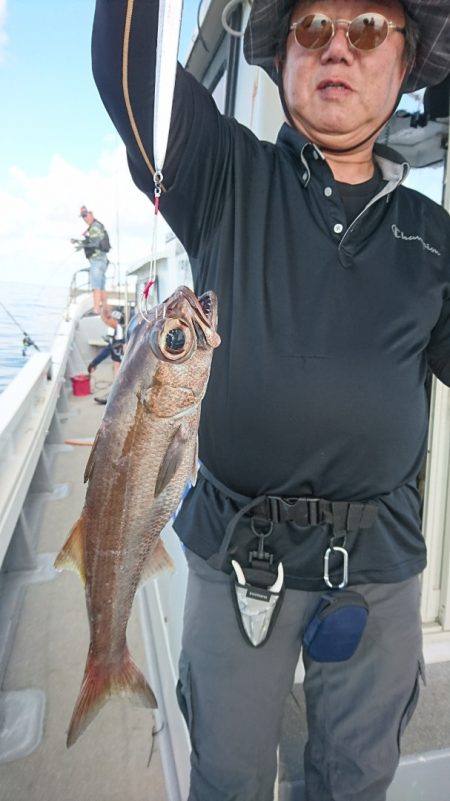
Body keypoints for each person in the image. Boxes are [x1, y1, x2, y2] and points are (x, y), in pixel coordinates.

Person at [91, 2, 450, 800]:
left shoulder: (435, 239)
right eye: (312, 28)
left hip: (383, 566)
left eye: (365, 30)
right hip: (235, 554)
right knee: (228, 777)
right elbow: (129, 77)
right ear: (282, 60)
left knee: (354, 780)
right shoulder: (224, 172)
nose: (338, 50)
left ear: (405, 62)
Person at [71, 205, 110, 313]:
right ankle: (105, 309)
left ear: (91, 214)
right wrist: (79, 242)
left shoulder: (94, 227)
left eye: (85, 215)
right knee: (101, 287)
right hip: (102, 261)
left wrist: (81, 245)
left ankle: (96, 310)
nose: (84, 218)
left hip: (97, 261)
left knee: (96, 287)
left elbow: (95, 243)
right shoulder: (95, 226)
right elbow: (92, 241)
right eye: (82, 216)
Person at [88, 306, 126, 404]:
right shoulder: (117, 328)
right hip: (121, 354)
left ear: (112, 319)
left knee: (116, 361)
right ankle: (114, 393)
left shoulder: (121, 331)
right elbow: (110, 347)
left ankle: (115, 396)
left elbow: (109, 349)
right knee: (116, 356)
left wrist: (94, 363)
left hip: (126, 358)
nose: (107, 325)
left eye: (106, 322)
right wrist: (94, 363)